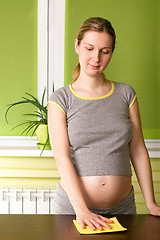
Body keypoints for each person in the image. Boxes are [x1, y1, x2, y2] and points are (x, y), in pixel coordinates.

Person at [47, 17, 160, 231]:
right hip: (74, 210)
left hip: (123, 209)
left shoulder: (126, 94)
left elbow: (137, 150)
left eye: (104, 51)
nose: (96, 58)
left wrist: (151, 203)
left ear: (111, 52)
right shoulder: (60, 99)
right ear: (77, 46)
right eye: (89, 48)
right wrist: (81, 210)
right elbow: (62, 158)